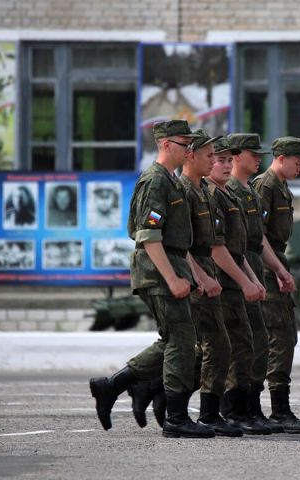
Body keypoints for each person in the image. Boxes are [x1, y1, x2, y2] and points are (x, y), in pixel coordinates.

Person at [88, 119, 215, 439]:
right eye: (184, 143)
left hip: (171, 267)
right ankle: (175, 416)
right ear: (166, 145)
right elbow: (148, 236)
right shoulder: (155, 180)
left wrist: (191, 274)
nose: (189, 149)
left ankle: (114, 385)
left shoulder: (170, 181)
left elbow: (177, 239)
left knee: (175, 340)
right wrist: (172, 278)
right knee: (181, 341)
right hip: (157, 271)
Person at [225, 133, 296, 432]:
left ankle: (255, 409)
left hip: (260, 266)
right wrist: (271, 271)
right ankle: (236, 409)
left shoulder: (260, 190)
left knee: (266, 341)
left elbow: (258, 239)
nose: (258, 158)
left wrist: (279, 269)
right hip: (250, 269)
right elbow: (252, 239)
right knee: (263, 339)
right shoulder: (259, 187)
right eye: (252, 154)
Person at [205, 137, 270, 434]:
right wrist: (246, 281)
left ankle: (243, 408)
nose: (226, 165)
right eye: (221, 160)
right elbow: (216, 249)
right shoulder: (215, 194)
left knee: (246, 343)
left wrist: (254, 279)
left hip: (238, 277)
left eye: (229, 160)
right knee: (223, 346)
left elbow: (240, 247)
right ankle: (229, 410)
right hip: (221, 281)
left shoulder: (231, 194)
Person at [252, 136, 300, 434]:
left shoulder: (281, 187)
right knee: (280, 336)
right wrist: (276, 269)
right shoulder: (265, 186)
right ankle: (278, 410)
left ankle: (276, 408)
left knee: (285, 335)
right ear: (281, 157)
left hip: (275, 263)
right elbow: (257, 236)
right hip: (266, 268)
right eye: (298, 162)